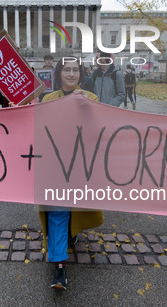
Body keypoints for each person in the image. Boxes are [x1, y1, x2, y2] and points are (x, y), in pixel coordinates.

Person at [40, 58, 103, 290]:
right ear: (59, 73)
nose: (71, 73)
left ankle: (71, 233)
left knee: (74, 210)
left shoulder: (91, 98)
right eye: (66, 69)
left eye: (75, 70)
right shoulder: (47, 99)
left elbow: (98, 131)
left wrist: (89, 110)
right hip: (54, 166)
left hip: (80, 166)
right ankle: (59, 268)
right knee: (57, 211)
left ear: (81, 74)